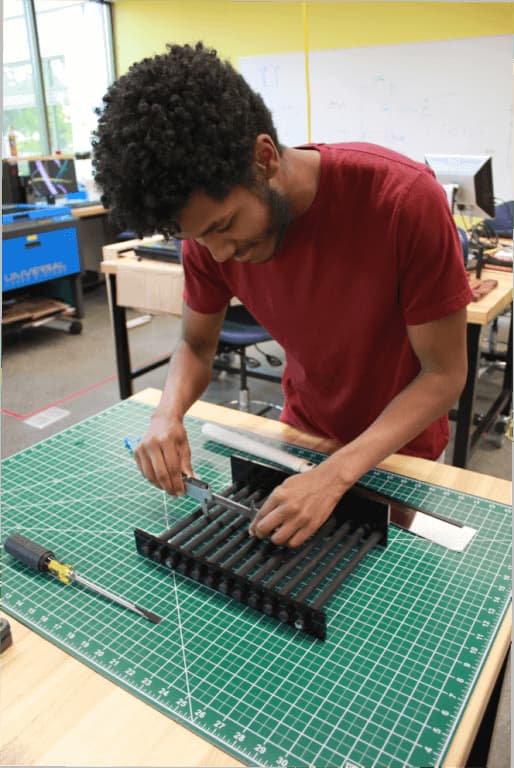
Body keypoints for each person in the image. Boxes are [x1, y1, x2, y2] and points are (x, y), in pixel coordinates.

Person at [93, 42, 473, 548]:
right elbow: (196, 345)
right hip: (302, 439)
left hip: (401, 453)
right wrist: (167, 412)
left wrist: (336, 477)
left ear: (264, 158)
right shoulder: (209, 242)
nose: (219, 254)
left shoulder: (402, 202)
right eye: (199, 238)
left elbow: (445, 375)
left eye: (225, 227)